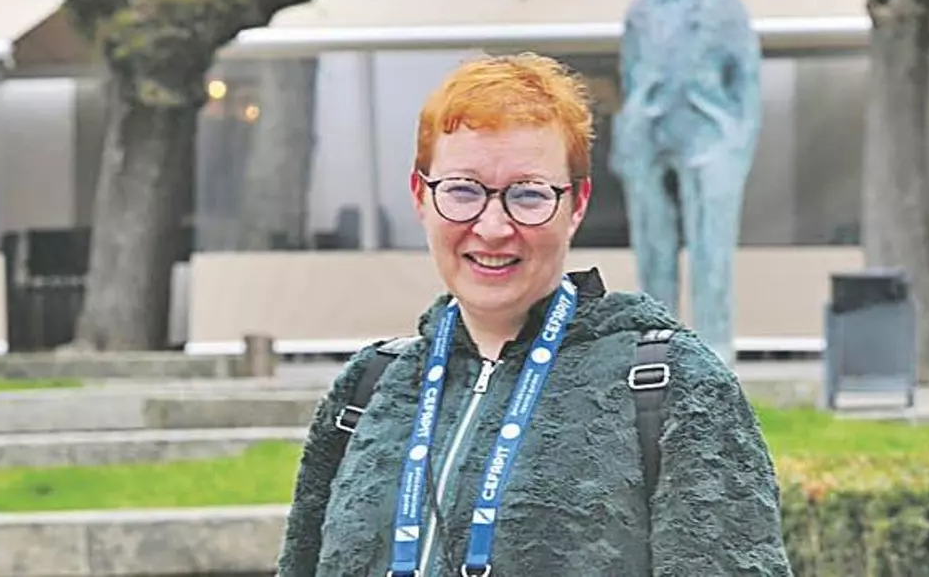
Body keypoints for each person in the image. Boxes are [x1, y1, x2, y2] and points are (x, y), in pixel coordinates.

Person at [275, 53, 792, 576]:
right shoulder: (369, 389)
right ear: (420, 196)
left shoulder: (674, 385)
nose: (492, 228)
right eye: (462, 190)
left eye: (527, 195)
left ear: (577, 204)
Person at [611, 0, 763, 367]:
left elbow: (747, 78)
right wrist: (632, 124)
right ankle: (658, 345)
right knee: (652, 247)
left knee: (711, 248)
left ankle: (715, 349)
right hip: (649, 133)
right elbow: (630, 73)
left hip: (709, 135)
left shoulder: (724, 7)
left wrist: (739, 140)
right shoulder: (640, 11)